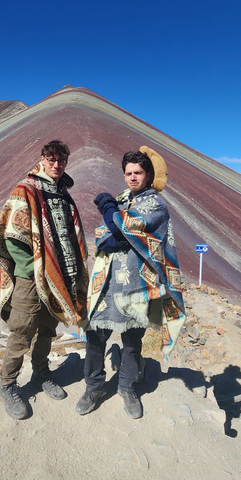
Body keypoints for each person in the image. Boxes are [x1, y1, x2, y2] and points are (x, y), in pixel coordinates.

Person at [77, 146, 185, 419]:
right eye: (128, 173)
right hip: (108, 283)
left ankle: (127, 387)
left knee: (132, 341)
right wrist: (116, 227)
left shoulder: (155, 205)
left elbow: (119, 226)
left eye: (138, 172)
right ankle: (94, 386)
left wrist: (108, 210)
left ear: (148, 175)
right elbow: (106, 232)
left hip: (138, 285)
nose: (133, 178)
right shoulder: (124, 199)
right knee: (95, 336)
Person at [0, 140, 89, 419]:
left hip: (58, 277)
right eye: (51, 159)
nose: (56, 165)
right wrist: (29, 270)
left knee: (48, 328)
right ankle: (8, 385)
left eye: (62, 160)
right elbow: (11, 233)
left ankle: (41, 373)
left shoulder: (63, 194)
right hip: (31, 278)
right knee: (22, 330)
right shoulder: (27, 189)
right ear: (42, 159)